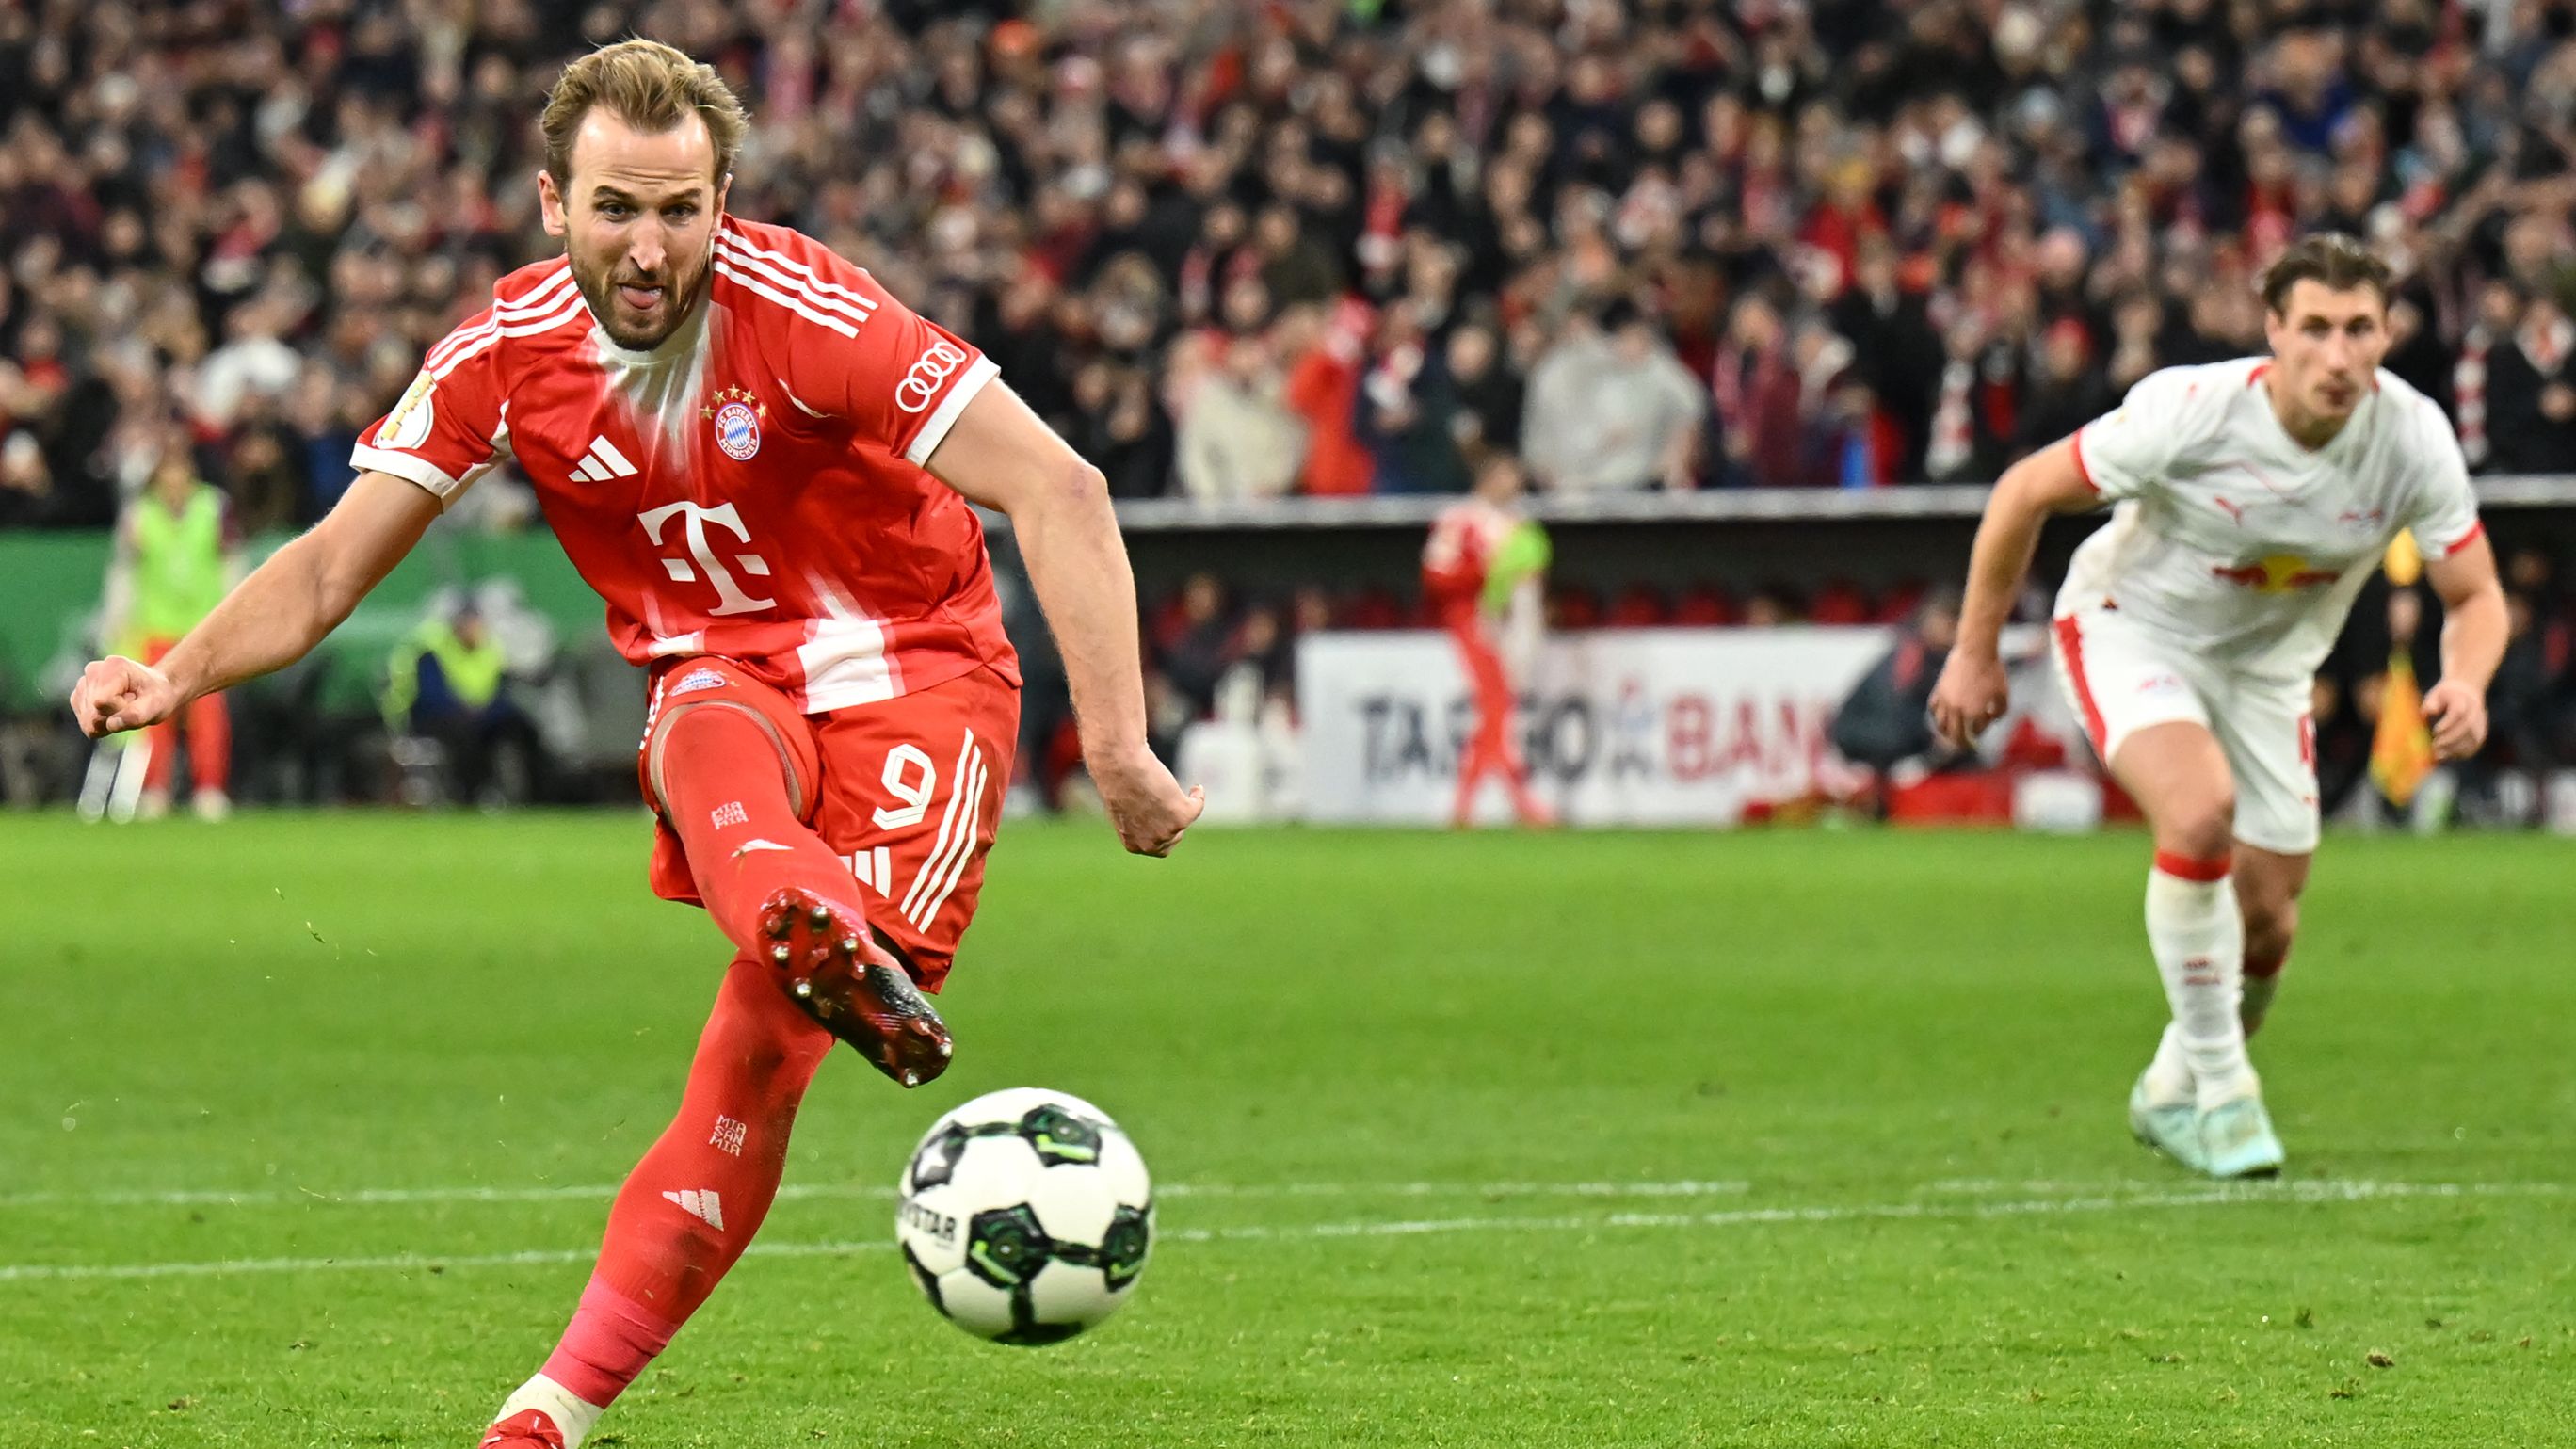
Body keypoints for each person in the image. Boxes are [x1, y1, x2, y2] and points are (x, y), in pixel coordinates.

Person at [67, 40, 1200, 1449]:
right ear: (554, 204)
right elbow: (322, 572)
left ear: (726, 200)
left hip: (915, 668)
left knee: (764, 1050)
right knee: (705, 731)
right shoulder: (502, 354)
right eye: (616, 209)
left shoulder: (814, 314)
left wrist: (1119, 744)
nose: (649, 246)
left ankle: (788, 968)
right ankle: (792, 926)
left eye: (680, 209)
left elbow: (1060, 484)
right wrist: (173, 675)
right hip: (721, 672)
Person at [1928, 233, 2506, 1180]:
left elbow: (2476, 597)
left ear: (2387, 335)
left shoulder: (2411, 437)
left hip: (2267, 673)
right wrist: (1972, 652)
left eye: (2359, 328)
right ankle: (2228, 1090)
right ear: (2273, 330)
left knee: (2271, 922)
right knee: (2198, 813)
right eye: (2314, 327)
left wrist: (2468, 680)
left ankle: (2169, 1088)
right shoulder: (2190, 413)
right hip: (2130, 629)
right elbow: (2023, 490)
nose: (2337, 353)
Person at [102, 439, 243, 821]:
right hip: (156, 626)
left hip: (203, 628)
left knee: (209, 715)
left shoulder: (213, 507)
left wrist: (234, 617)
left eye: (180, 470)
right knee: (152, 717)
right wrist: (116, 617)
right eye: (167, 471)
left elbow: (230, 562)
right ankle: (155, 790)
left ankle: (210, 790)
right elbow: (124, 571)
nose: (174, 479)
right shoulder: (139, 514)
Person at [1423, 453, 1553, 828]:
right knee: (1496, 704)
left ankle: (1470, 805)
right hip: (1473, 619)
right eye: (1508, 476)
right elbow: (1436, 574)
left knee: (1498, 706)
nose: (1515, 484)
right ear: (1489, 478)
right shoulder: (1461, 519)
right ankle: (1517, 803)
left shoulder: (1517, 524)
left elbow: (1530, 571)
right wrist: (1480, 575)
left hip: (1507, 621)